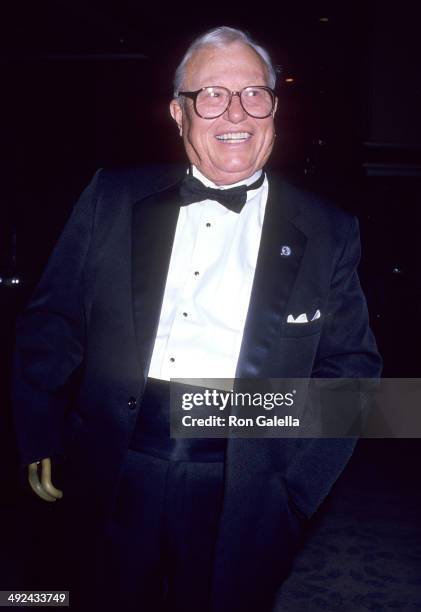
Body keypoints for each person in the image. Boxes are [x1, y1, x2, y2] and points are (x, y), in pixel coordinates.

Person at [13, 26, 382, 612]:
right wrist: (38, 432)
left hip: (244, 480)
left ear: (274, 107)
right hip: (111, 461)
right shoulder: (110, 196)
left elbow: (355, 375)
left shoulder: (329, 228)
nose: (235, 111)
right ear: (177, 113)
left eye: (253, 93)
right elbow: (52, 321)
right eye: (210, 94)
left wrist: (295, 490)